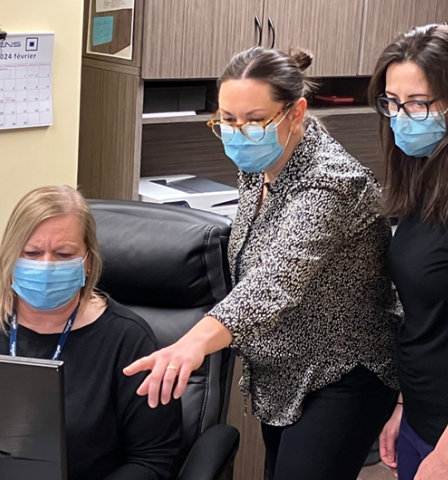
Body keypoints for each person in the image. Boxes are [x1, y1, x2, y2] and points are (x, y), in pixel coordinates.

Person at [125, 47, 400, 480]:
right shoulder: (262, 164)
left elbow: (276, 281)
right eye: (227, 120)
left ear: (297, 112)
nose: (239, 133)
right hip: (280, 369)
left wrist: (192, 343)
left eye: (255, 120)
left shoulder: (331, 184)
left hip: (342, 371)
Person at [0, 186, 183, 480]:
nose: (47, 265)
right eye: (32, 253)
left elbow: (153, 460)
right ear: (10, 258)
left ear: (87, 261)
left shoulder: (128, 339)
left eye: (63, 253)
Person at [368, 24, 448, 480]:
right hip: (423, 417)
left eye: (417, 104)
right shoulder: (429, 179)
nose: (400, 116)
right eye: (392, 102)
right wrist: (402, 406)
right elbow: (425, 316)